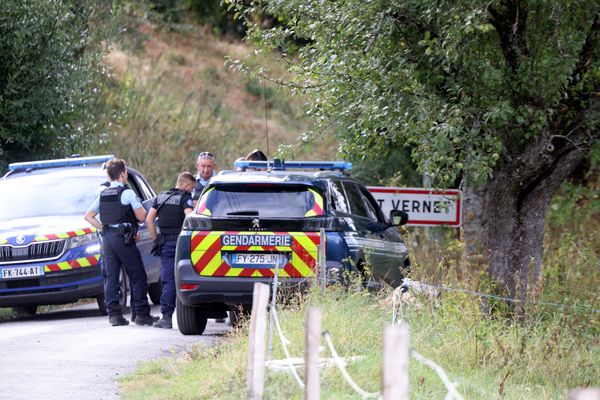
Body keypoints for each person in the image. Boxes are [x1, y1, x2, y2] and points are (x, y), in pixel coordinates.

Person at [84, 158, 157, 327]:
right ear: (123, 174)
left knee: (111, 277)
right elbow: (141, 216)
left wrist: (104, 228)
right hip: (123, 239)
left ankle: (115, 316)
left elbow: (88, 216)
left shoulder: (103, 194)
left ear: (109, 176)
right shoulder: (127, 193)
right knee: (137, 275)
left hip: (108, 239)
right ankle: (141, 314)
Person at [145, 172, 195, 329]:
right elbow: (190, 217)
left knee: (168, 280)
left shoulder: (160, 196)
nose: (191, 191)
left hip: (165, 243)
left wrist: (155, 240)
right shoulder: (185, 198)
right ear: (186, 185)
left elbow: (148, 220)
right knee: (187, 277)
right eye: (191, 188)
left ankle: (166, 317)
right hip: (181, 243)